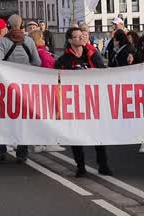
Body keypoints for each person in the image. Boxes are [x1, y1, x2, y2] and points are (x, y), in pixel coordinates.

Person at [55, 27, 111, 177]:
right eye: (77, 36)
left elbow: (104, 72)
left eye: (82, 36)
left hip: (93, 101)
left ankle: (103, 165)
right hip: (75, 103)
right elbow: (57, 80)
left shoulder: (92, 54)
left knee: (98, 135)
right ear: (69, 40)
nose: (81, 38)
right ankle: (80, 166)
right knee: (76, 136)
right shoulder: (64, 60)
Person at [0, 14, 41, 163]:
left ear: (8, 26)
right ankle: (22, 153)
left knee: (3, 118)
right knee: (22, 120)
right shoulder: (29, 41)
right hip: (25, 86)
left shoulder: (3, 43)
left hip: (7, 86)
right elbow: (37, 62)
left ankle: (1, 150)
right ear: (21, 26)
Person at [28, 30, 65, 153]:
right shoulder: (43, 53)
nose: (44, 39)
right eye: (42, 37)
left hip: (38, 88)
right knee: (50, 115)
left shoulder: (34, 52)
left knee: (41, 116)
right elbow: (52, 68)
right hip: (48, 88)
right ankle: (49, 142)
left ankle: (39, 142)